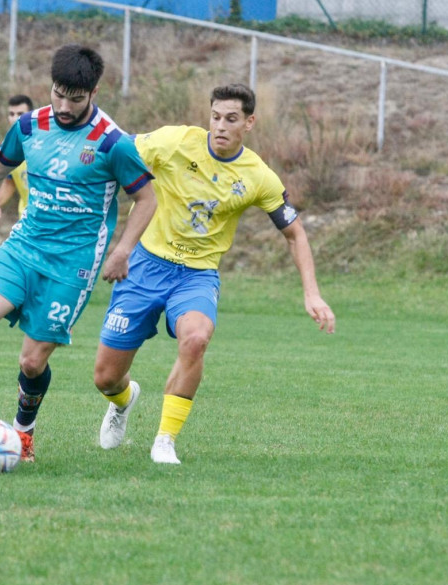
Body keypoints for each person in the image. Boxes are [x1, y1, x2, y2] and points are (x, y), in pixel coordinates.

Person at [0, 44, 158, 462]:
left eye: (74, 98)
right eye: (57, 93)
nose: (63, 105)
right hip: (23, 246)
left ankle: (23, 433)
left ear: (94, 91)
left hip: (72, 265)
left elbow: (146, 199)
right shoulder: (30, 125)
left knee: (31, 363)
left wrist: (123, 250)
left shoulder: (113, 143)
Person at [94, 83, 336, 464]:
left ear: (250, 123)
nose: (220, 126)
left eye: (232, 119)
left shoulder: (258, 176)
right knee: (106, 378)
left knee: (196, 338)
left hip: (197, 275)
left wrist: (312, 293)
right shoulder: (174, 141)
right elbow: (116, 151)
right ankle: (123, 402)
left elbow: (294, 232)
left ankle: (165, 440)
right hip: (143, 267)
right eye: (215, 117)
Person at [0, 94, 33, 226]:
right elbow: (10, 181)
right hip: (25, 219)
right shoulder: (9, 147)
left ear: (30, 115)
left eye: (20, 114)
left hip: (48, 220)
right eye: (11, 114)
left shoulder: (41, 144)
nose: (14, 118)